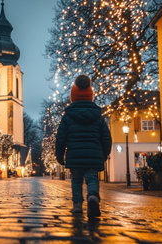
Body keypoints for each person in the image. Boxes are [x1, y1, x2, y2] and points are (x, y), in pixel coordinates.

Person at [55, 74, 112, 217]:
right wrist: (105, 153)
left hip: (75, 156)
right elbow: (106, 137)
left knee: (76, 180)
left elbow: (61, 137)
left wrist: (59, 155)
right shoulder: (98, 116)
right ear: (90, 96)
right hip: (94, 155)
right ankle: (93, 197)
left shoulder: (68, 116)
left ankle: (77, 205)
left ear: (73, 97)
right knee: (92, 179)